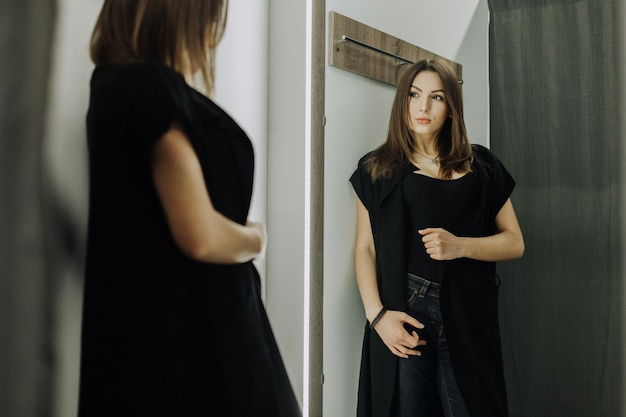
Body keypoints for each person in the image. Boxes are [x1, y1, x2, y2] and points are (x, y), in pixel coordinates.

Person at [76, 1, 302, 416]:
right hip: (203, 339)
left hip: (169, 335)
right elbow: (199, 235)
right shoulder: (148, 86)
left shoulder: (113, 88)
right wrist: (255, 238)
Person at [350, 59, 524, 417]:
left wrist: (460, 245)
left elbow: (514, 242)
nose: (423, 107)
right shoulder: (377, 168)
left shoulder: (483, 167)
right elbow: (365, 248)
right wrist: (377, 317)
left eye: (436, 97)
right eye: (414, 95)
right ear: (403, 102)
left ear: (451, 108)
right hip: (406, 313)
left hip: (469, 311)